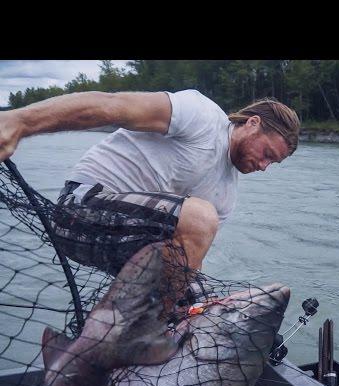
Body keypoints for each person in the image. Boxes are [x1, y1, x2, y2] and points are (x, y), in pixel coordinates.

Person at [0, 89, 300, 307]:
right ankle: (141, 333)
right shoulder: (201, 116)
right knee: (200, 218)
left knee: (210, 302)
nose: (263, 166)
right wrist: (20, 122)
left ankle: (107, 343)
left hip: (129, 246)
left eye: (272, 163)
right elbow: (110, 105)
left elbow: (185, 260)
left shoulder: (226, 196)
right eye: (266, 154)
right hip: (79, 212)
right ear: (252, 123)